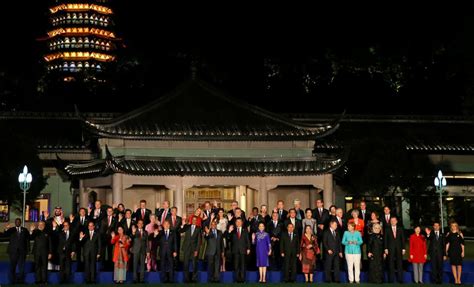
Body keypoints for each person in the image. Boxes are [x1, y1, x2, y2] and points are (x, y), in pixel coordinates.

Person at [228, 218, 250, 283]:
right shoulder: (233, 231)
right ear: (235, 223)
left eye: (240, 221)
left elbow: (248, 240)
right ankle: (237, 279)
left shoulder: (245, 231)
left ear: (242, 223)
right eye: (237, 221)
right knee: (236, 266)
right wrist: (229, 231)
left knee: (243, 266)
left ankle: (242, 279)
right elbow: (228, 239)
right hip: (235, 251)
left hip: (243, 250)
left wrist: (248, 248)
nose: (238, 223)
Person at [384, 216, 405, 283]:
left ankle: (400, 279)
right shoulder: (387, 229)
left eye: (394, 220)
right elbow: (385, 240)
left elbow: (403, 239)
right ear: (390, 222)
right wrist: (385, 248)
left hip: (399, 248)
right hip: (390, 248)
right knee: (390, 264)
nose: (393, 222)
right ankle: (391, 279)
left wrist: (403, 248)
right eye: (391, 221)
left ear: (396, 221)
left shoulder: (400, 229)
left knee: (400, 263)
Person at [181, 217, 202, 283]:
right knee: (185, 264)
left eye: (195, 220)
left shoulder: (199, 229)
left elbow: (199, 241)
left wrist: (197, 250)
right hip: (186, 248)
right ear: (191, 220)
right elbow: (181, 231)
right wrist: (183, 224)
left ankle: (194, 278)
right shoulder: (187, 226)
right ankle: (186, 279)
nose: (194, 221)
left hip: (194, 249)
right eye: (193, 220)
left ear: (196, 221)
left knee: (194, 264)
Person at [100, 206, 116, 271]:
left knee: (110, 253)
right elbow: (101, 229)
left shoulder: (115, 219)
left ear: (112, 212)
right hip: (104, 238)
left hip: (111, 238)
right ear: (106, 212)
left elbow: (116, 228)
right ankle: (103, 267)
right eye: (108, 211)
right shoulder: (103, 219)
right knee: (103, 253)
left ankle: (110, 266)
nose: (109, 212)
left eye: (110, 211)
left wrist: (113, 234)